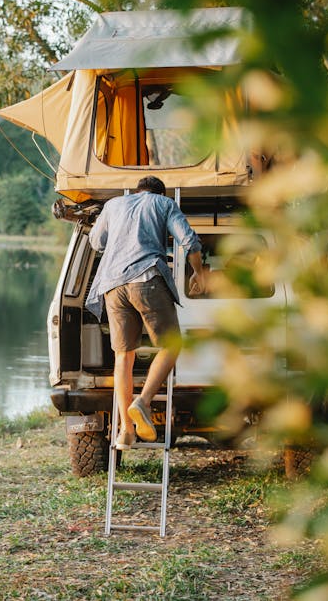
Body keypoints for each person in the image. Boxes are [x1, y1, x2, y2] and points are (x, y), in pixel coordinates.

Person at [86, 176, 205, 450]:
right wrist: (199, 273)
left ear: (138, 190)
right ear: (160, 193)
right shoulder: (164, 204)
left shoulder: (114, 204)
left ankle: (126, 431)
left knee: (123, 358)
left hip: (112, 286)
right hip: (146, 278)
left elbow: (96, 242)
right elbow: (189, 241)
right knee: (171, 346)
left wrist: (120, 241)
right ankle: (143, 401)